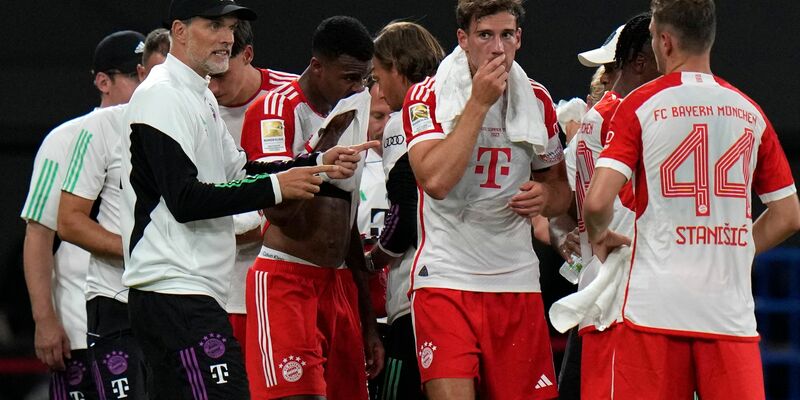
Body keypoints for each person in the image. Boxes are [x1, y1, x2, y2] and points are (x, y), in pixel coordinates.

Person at [118, 2, 365, 398]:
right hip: (172, 290)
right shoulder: (163, 95)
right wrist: (280, 187)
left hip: (191, 291)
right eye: (214, 25)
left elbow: (239, 172)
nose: (227, 38)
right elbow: (185, 198)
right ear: (179, 31)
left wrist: (316, 163)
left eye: (230, 27)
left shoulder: (200, 96)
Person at [584, 0, 800, 398]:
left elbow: (597, 203)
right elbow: (787, 215)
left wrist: (599, 234)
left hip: (653, 312)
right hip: (728, 318)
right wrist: (735, 249)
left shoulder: (640, 105)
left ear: (664, 42)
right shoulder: (750, 112)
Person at [402, 0, 570, 398]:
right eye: (485, 35)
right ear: (463, 40)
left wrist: (545, 195)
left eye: (506, 35)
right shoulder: (426, 97)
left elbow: (561, 191)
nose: (497, 48)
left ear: (519, 39)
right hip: (446, 278)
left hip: (515, 279)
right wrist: (478, 104)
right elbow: (436, 181)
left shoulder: (538, 100)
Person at [240, 15, 382, 400]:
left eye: (363, 79)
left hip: (338, 286)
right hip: (287, 282)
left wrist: (367, 319)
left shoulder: (352, 110)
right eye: (349, 77)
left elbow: (346, 216)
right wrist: (319, 153)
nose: (357, 87)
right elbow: (277, 210)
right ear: (317, 65)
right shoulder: (275, 109)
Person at [20, 30, 146, 400]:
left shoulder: (158, 135)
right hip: (78, 324)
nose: (144, 85)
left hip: (147, 316)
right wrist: (45, 320)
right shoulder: (66, 137)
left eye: (148, 76)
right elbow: (38, 235)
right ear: (102, 81)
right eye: (134, 76)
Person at [57, 26, 174, 399]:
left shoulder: (205, 125)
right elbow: (65, 223)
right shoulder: (94, 129)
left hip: (181, 300)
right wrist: (141, 251)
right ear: (142, 74)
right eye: (154, 74)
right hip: (115, 300)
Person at [566, 13, 661, 399]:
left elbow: (574, 201)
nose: (604, 76)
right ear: (640, 62)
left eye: (606, 67)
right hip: (629, 294)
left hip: (598, 289)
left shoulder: (593, 119)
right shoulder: (634, 116)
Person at [208, 19, 298, 355]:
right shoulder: (191, 105)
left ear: (247, 54)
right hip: (219, 287)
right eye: (207, 76)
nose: (213, 88)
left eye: (221, 75)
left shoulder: (292, 98)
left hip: (286, 281)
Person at [367, 21, 444, 400]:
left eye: (379, 76)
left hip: (418, 290)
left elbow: (408, 206)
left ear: (397, 66)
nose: (379, 89)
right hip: (468, 284)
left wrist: (376, 257)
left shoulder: (406, 117)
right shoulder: (455, 102)